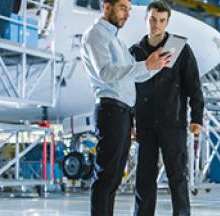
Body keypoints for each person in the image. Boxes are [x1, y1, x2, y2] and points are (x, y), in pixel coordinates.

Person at [80, 0, 171, 215]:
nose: (127, 14)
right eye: (123, 7)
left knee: (113, 179)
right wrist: (144, 65)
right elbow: (106, 72)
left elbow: (133, 77)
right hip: (110, 110)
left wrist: (156, 65)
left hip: (122, 113)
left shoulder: (118, 42)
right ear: (106, 6)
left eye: (129, 9)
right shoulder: (95, 35)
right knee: (106, 177)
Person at [129, 1, 204, 216]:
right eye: (153, 19)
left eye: (162, 20)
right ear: (146, 19)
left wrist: (196, 118)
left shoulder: (180, 50)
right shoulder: (135, 52)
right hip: (145, 125)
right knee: (144, 178)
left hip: (173, 123)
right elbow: (128, 90)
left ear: (168, 21)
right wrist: (130, 122)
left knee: (177, 176)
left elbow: (194, 86)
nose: (156, 24)